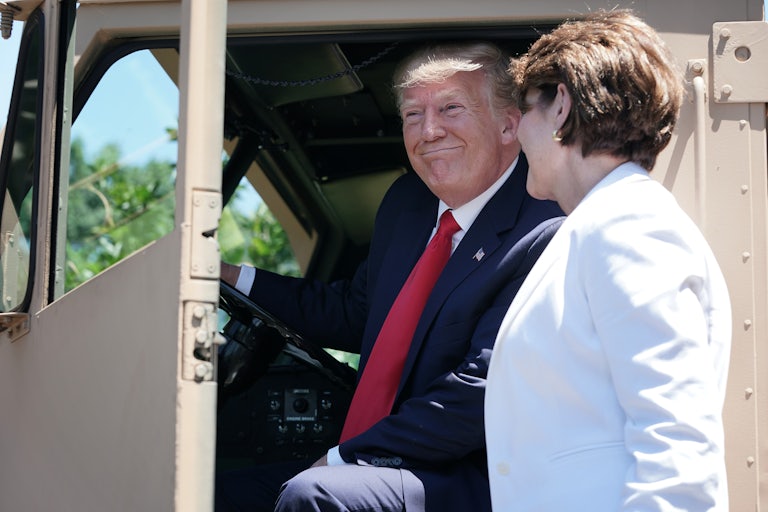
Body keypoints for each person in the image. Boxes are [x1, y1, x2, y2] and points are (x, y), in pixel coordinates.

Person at [216, 41, 564, 512]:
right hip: (386, 461)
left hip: (476, 476)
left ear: (509, 124)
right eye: (412, 115)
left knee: (312, 494)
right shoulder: (408, 204)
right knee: (213, 490)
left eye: (451, 108)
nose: (429, 130)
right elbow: (358, 313)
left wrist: (345, 458)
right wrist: (231, 277)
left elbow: (482, 391)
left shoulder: (544, 225)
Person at [484, 9, 732, 511]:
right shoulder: (605, 222)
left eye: (525, 109)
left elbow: (677, 444)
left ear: (561, 108)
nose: (514, 132)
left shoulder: (626, 227)